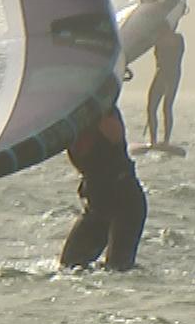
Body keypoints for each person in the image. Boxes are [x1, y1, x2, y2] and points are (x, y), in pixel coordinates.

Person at [59, 104, 147, 271]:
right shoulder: (69, 126)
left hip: (125, 204)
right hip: (96, 206)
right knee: (69, 266)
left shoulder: (105, 116)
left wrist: (94, 111)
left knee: (118, 269)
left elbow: (115, 133)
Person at [145, 22, 185, 147]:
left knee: (167, 107)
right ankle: (153, 140)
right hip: (161, 73)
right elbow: (158, 59)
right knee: (151, 107)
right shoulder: (159, 41)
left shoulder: (177, 39)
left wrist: (163, 39)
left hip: (172, 75)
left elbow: (175, 47)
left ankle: (166, 140)